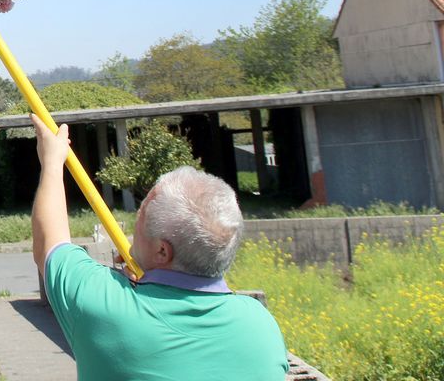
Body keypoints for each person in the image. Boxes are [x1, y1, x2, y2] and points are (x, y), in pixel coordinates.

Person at [29, 115, 289, 381]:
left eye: (143, 215)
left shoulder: (103, 304)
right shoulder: (261, 325)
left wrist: (51, 162)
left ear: (163, 252)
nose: (136, 221)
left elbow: (50, 245)